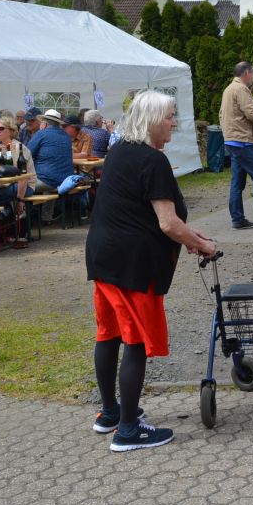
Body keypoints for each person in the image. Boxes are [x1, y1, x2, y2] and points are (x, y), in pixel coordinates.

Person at [86, 90, 217, 452]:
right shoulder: (152, 160)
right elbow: (168, 222)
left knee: (109, 333)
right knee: (137, 341)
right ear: (153, 120)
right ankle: (128, 430)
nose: (174, 122)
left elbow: (157, 218)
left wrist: (190, 236)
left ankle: (110, 412)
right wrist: (201, 244)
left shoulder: (120, 152)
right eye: (170, 116)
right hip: (132, 264)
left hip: (103, 256)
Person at [219, 61, 253, 230]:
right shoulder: (241, 89)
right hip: (243, 141)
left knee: (237, 182)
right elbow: (252, 113)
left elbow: (221, 114)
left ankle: (238, 219)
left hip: (232, 140)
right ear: (247, 73)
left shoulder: (228, 89)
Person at [0, 114, 37, 219]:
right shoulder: (1, 148)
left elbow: (23, 176)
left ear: (11, 131)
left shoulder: (17, 148)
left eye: (1, 128)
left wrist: (20, 200)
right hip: (8, 185)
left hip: (25, 186)